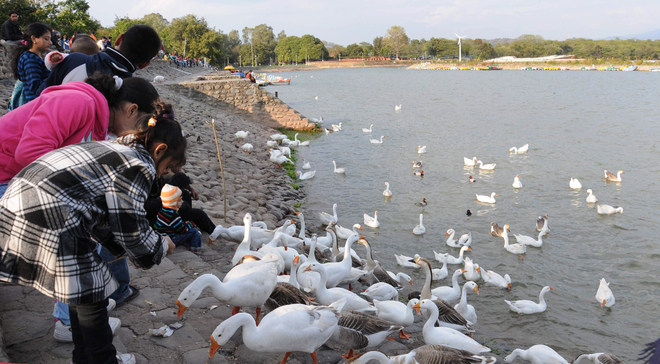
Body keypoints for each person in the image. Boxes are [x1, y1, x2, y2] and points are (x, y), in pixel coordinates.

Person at [0, 103, 185, 364]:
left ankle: (84, 357)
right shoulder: (139, 164)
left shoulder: (116, 147)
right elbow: (129, 228)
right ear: (160, 150)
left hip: (16, 205)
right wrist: (161, 246)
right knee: (91, 291)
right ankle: (101, 359)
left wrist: (117, 244)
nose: (163, 175)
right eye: (167, 168)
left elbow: (101, 214)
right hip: (48, 213)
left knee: (83, 291)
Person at [38, 24, 161, 94]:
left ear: (119, 39)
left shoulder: (73, 61)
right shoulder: (131, 90)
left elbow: (39, 96)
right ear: (145, 64)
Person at [8, 22, 51, 109]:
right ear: (34, 39)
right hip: (34, 106)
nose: (50, 42)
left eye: (50, 39)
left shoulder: (33, 57)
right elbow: (35, 86)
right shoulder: (30, 59)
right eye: (46, 39)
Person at [154, 184, 202, 256]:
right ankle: (195, 252)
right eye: (179, 200)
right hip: (171, 239)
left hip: (161, 235)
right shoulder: (173, 214)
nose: (182, 202)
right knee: (194, 232)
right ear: (172, 202)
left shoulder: (163, 209)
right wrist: (190, 224)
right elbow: (182, 229)